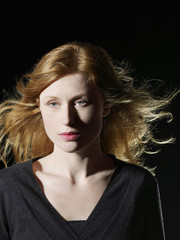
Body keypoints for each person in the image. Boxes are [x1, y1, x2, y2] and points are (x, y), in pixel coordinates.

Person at [0, 41, 176, 239]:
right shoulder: (7, 188)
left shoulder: (138, 186)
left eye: (80, 102)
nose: (67, 119)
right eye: (53, 103)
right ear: (39, 105)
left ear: (105, 106)